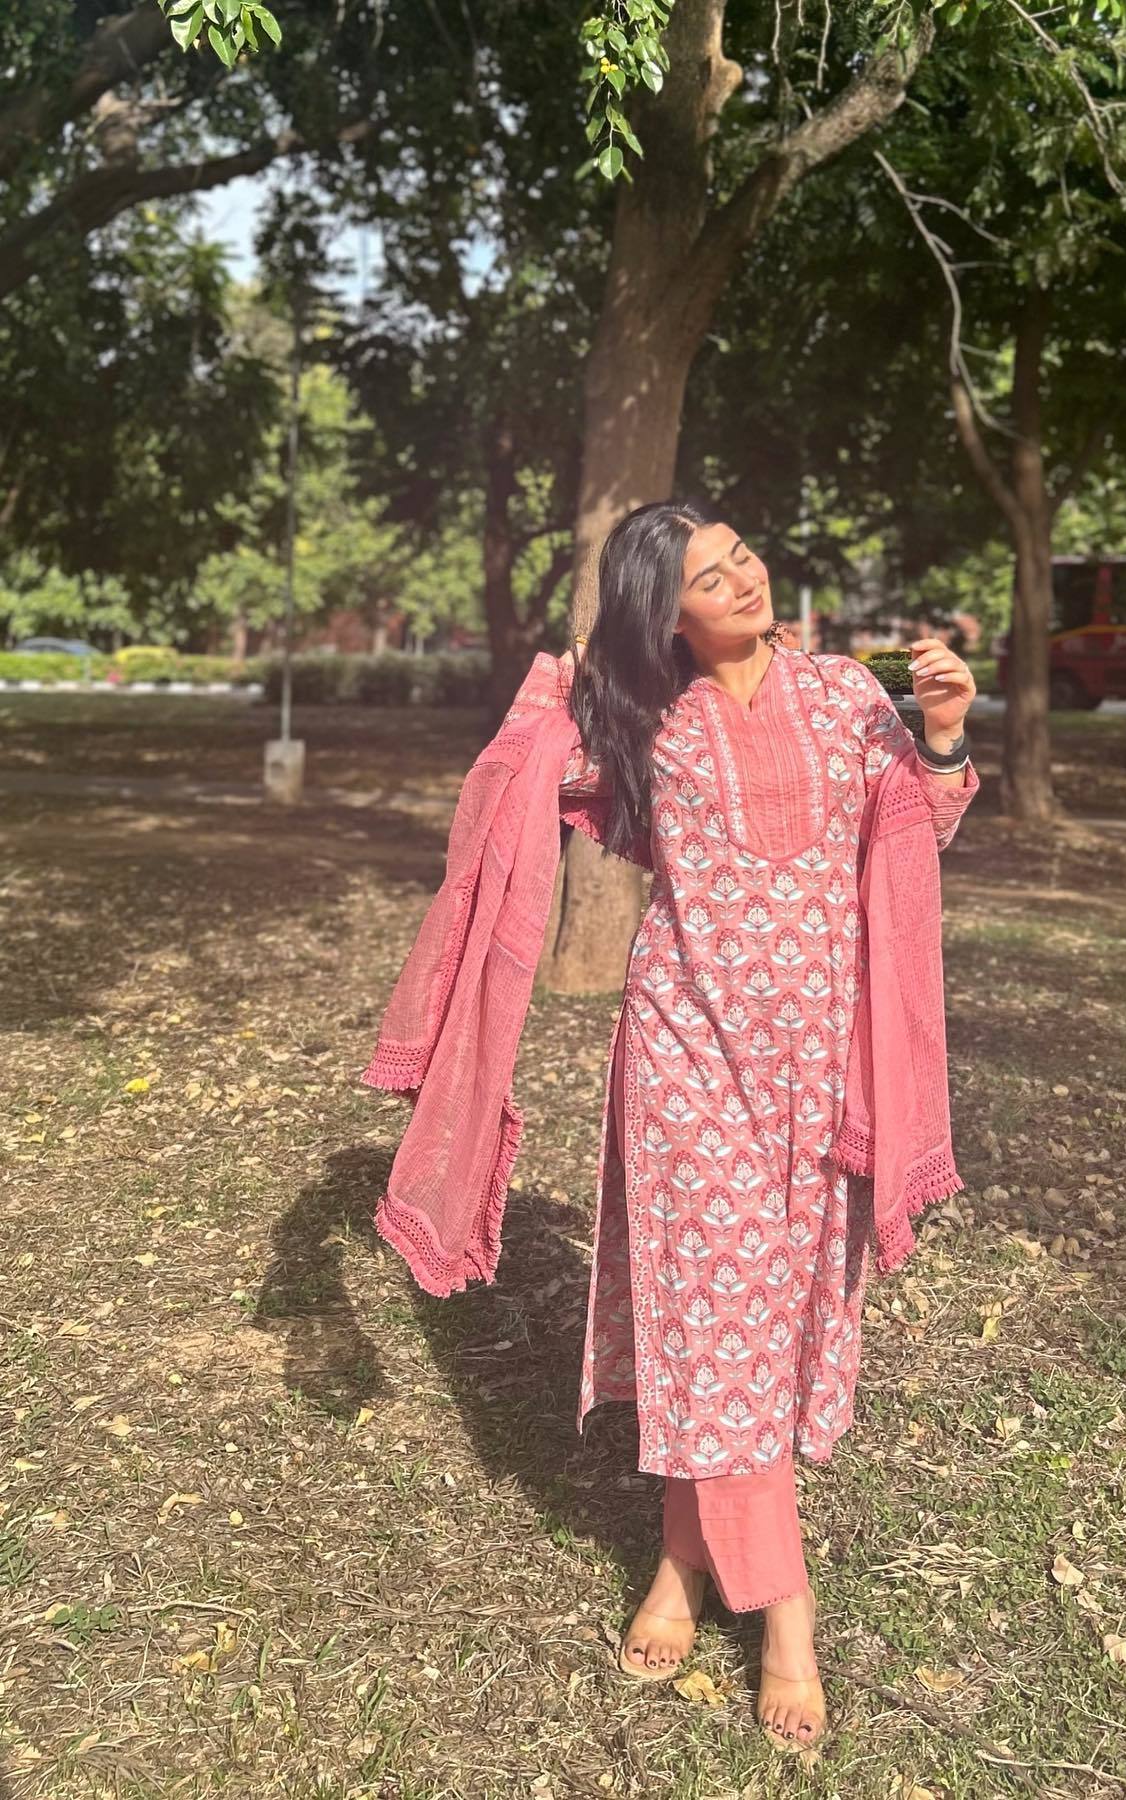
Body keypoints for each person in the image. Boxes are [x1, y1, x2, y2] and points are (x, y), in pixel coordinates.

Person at [364, 496, 980, 1754]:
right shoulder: (636, 722)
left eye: (741, 555)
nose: (742, 580)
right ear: (667, 615)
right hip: (687, 1060)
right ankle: (787, 1609)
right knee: (716, 1313)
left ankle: (681, 1561)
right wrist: (560, 675)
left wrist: (944, 738)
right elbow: (512, 786)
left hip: (824, 1068)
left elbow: (917, 830)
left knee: (771, 1319)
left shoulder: (847, 696)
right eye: (707, 576)